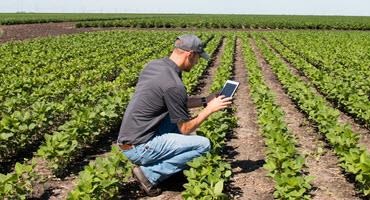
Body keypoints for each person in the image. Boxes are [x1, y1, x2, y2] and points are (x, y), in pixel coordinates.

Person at [117, 34, 232, 196]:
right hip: (140, 148)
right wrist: (209, 109)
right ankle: (150, 174)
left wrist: (206, 100)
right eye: (198, 58)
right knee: (203, 145)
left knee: (174, 123)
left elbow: (175, 101)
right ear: (190, 54)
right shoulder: (174, 85)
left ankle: (170, 168)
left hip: (129, 138)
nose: (198, 62)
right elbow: (185, 128)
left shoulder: (156, 66)